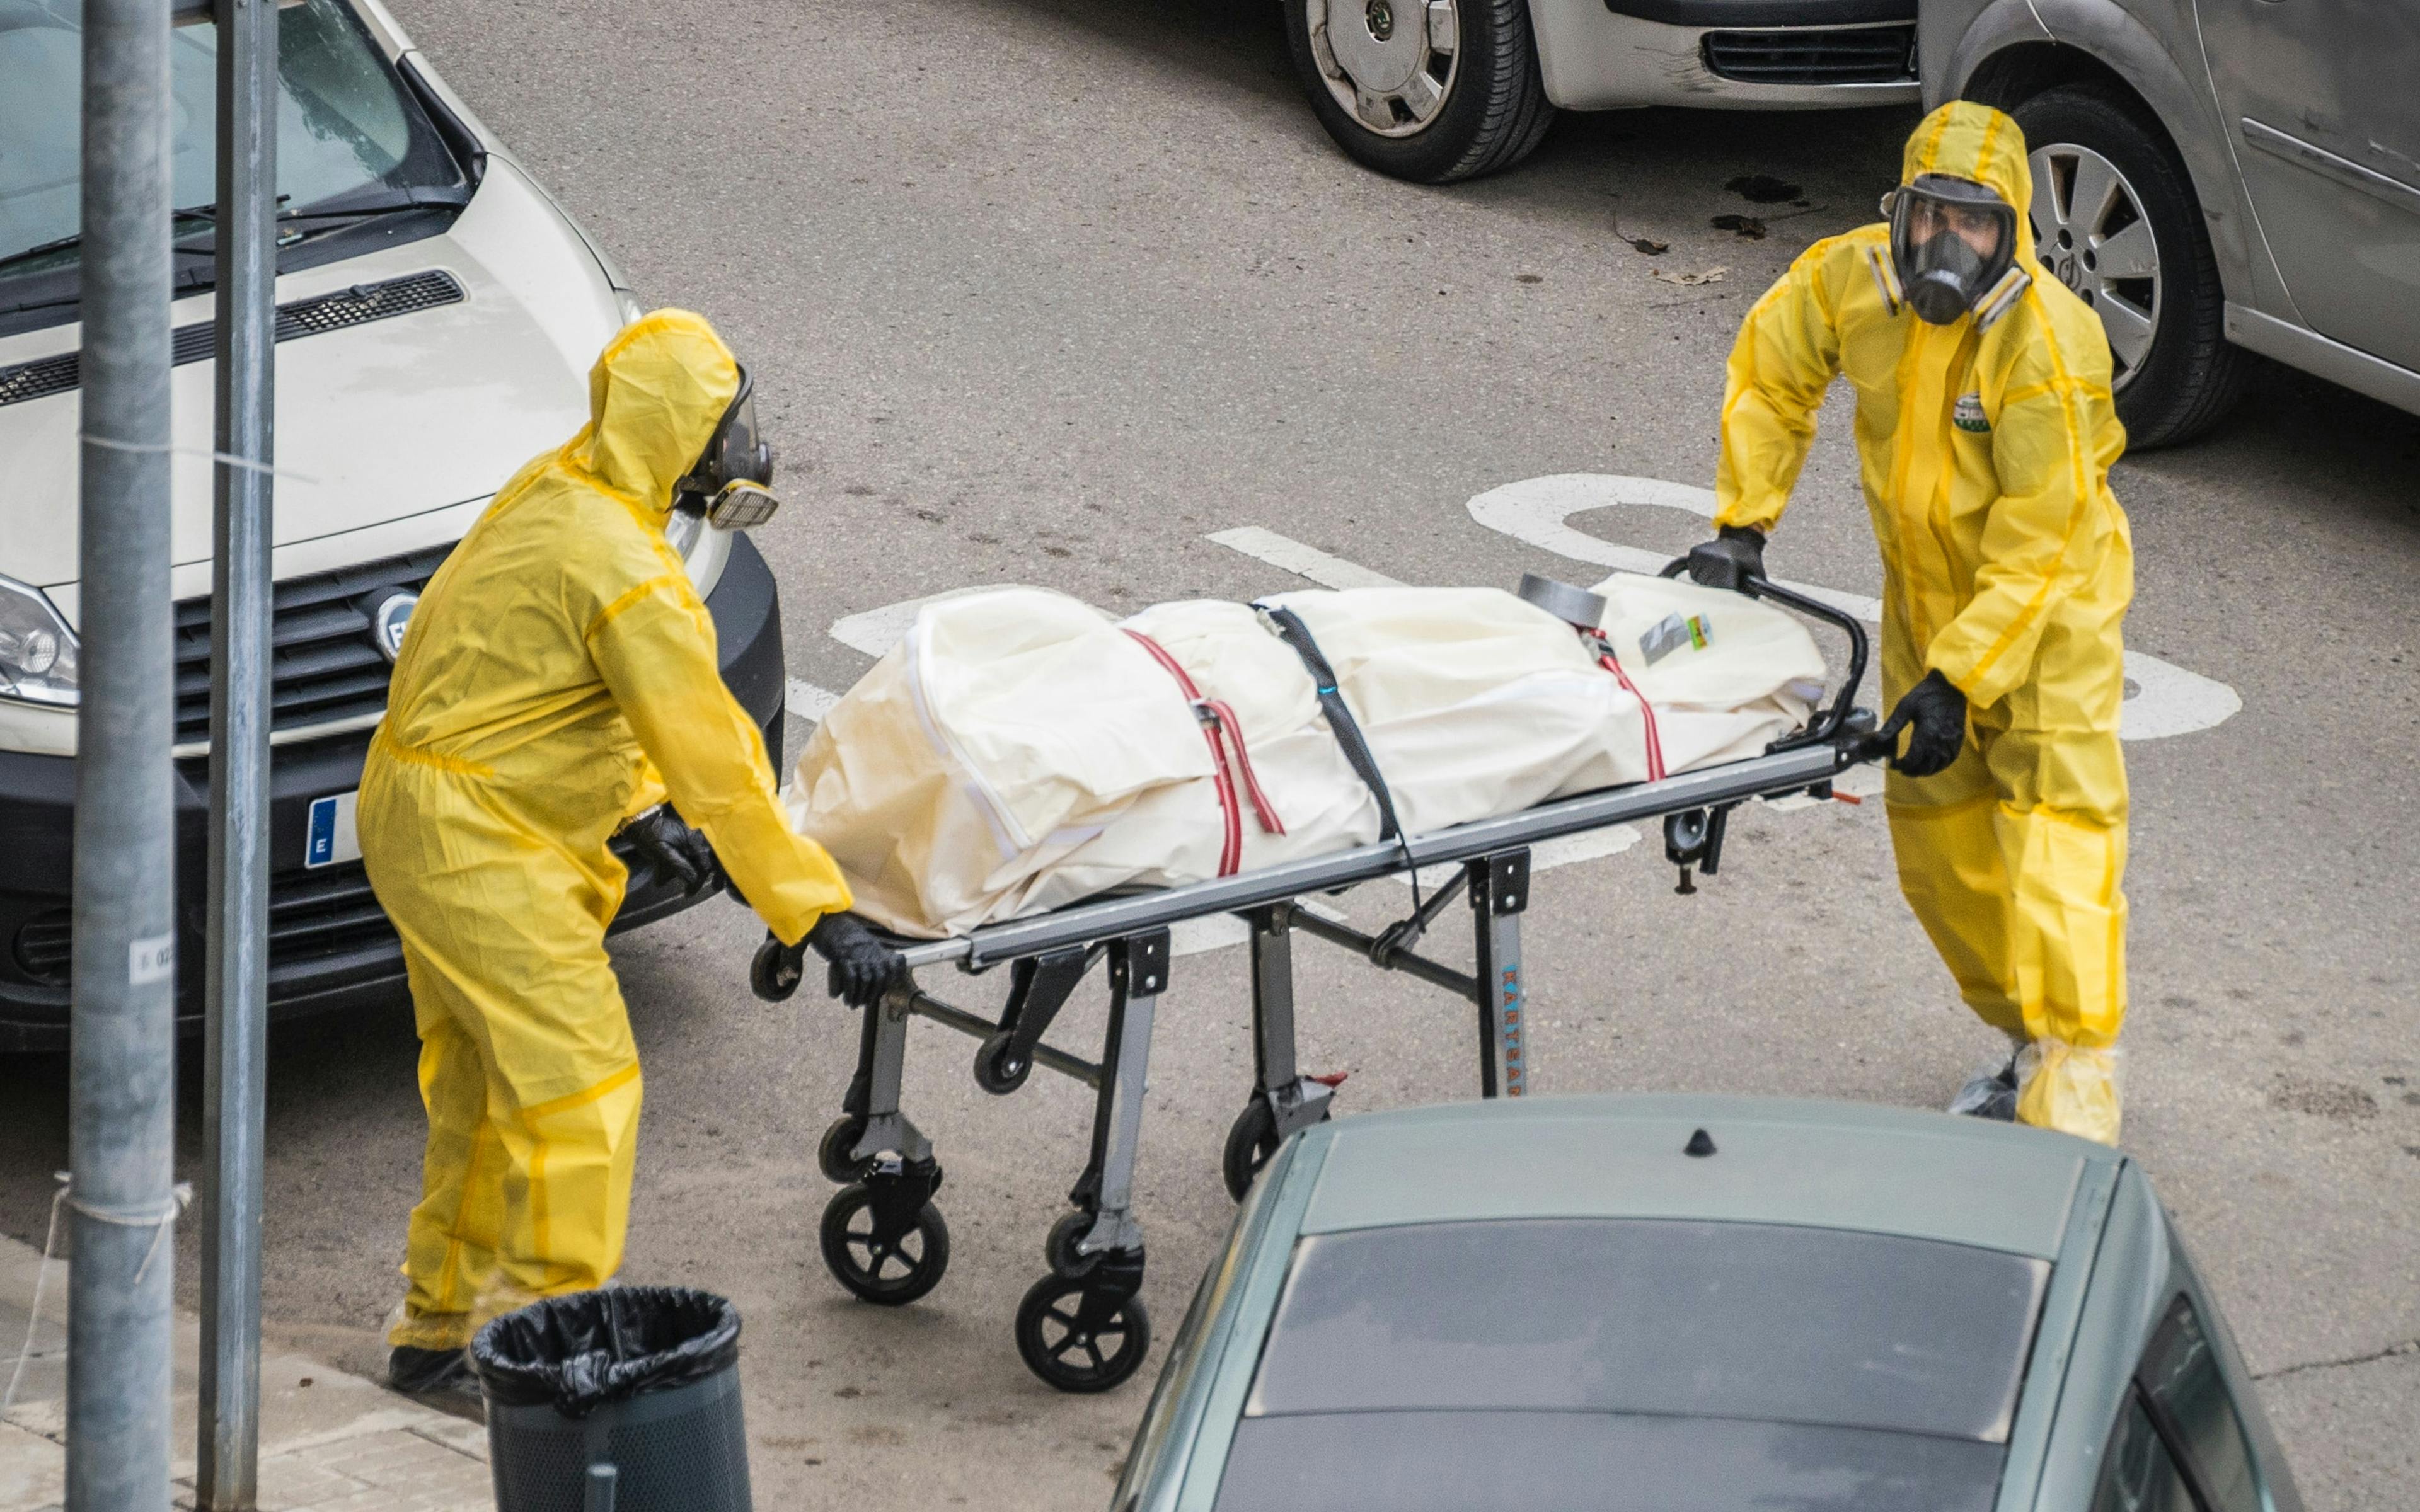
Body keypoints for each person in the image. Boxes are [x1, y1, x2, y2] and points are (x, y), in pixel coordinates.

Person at [359, 309, 906, 1395]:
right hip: (488, 843)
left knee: (485, 1092)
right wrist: (816, 911)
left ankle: (436, 1331)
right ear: (679, 436)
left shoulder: (562, 489)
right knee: (581, 1091)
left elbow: (542, 687)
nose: (743, 448)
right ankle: (551, 1355)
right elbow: (719, 763)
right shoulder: (631, 573)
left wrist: (643, 806)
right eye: (726, 428)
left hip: (426, 812)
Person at [1683, 101, 2133, 1144]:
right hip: (1925, 603)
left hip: (2049, 621)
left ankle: (2075, 1106)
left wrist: (1961, 677)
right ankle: (2025, 1041)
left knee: (2058, 841)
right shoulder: (1850, 281)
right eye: (1933, 217)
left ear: (2011, 233)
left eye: (1976, 225)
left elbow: (2044, 538)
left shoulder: (2045, 344)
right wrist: (1744, 524)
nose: (1948, 245)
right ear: (1900, 212)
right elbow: (1772, 374)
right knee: (1941, 843)